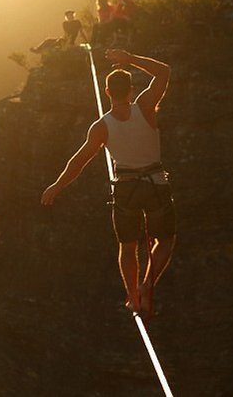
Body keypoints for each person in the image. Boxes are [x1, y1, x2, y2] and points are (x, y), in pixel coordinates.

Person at [40, 49, 174, 317]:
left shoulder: (101, 126)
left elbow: (78, 162)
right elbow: (164, 72)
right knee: (166, 240)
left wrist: (56, 186)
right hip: (155, 183)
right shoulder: (145, 107)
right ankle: (148, 286)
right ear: (131, 89)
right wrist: (130, 58)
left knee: (128, 246)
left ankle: (134, 297)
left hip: (125, 189)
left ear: (107, 92)